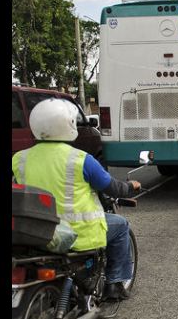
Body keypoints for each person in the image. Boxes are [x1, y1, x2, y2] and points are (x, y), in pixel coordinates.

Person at [12, 98, 141, 301]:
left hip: (34, 232)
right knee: (121, 225)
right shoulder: (80, 159)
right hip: (76, 232)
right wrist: (131, 186)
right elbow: (112, 187)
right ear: (69, 125)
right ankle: (114, 284)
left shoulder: (19, 158)